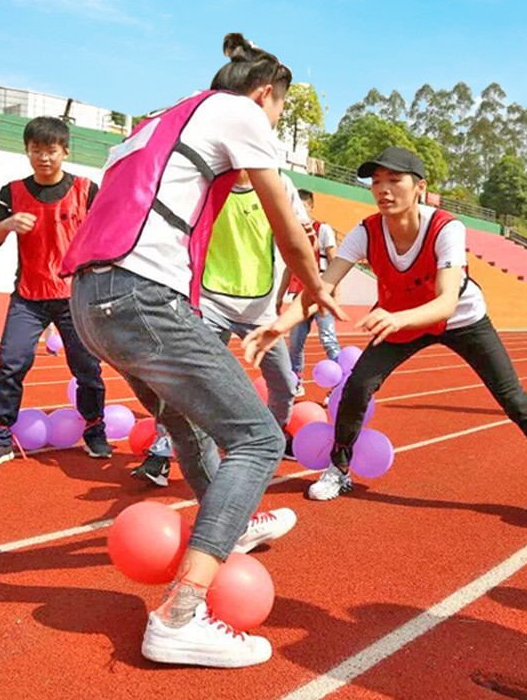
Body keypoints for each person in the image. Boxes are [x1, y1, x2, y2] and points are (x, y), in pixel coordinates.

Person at [65, 34, 343, 668]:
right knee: (260, 439)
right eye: (279, 111)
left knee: (185, 424)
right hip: (141, 297)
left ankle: (231, 521)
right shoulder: (240, 111)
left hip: (91, 300)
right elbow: (285, 221)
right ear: (265, 95)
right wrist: (315, 286)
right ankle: (181, 613)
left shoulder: (158, 120)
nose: (272, 125)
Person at [245, 146, 527, 534]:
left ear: (419, 187)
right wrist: (280, 325)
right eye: (376, 182)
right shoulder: (366, 232)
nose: (383, 189)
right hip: (400, 322)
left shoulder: (446, 228)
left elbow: (446, 301)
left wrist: (396, 318)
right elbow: (322, 286)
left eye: (394, 180)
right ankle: (339, 468)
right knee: (357, 387)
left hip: (461, 319)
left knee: (515, 400)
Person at [132, 168, 311, 487]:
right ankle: (161, 452)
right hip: (210, 301)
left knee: (284, 382)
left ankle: (270, 441)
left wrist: (314, 278)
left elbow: (299, 233)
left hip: (260, 309)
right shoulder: (207, 179)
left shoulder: (277, 181)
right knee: (187, 380)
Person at [0, 117, 109, 468]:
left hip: (74, 297)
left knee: (87, 368)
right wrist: (7, 224)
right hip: (28, 296)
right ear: (27, 151)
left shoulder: (86, 190)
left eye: (51, 150)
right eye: (36, 150)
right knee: (10, 365)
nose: (43, 157)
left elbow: (107, 235)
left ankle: (95, 429)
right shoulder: (12, 191)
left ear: (65, 152)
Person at [278, 189, 340, 396]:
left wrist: (335, 295)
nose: (299, 211)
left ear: (311, 207)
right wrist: (279, 296)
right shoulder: (292, 234)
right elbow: (289, 269)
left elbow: (335, 262)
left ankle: (339, 386)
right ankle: (296, 382)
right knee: (295, 343)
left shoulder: (323, 230)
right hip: (300, 298)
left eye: (303, 207)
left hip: (321, 294)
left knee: (328, 339)